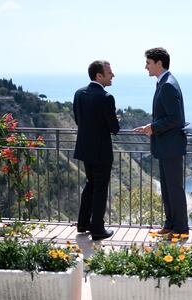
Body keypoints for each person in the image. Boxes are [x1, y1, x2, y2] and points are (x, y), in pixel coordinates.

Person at [134, 47, 189, 237]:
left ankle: (181, 228)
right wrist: (152, 127)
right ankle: (170, 224)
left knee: (174, 189)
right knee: (167, 188)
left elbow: (175, 119)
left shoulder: (167, 84)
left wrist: (152, 128)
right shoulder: (164, 82)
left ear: (159, 63)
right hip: (167, 146)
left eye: (148, 62)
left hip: (171, 146)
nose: (145, 67)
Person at [73, 60, 119, 241]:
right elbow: (114, 128)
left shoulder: (79, 94)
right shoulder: (106, 97)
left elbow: (78, 120)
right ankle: (98, 229)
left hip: (85, 148)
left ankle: (83, 223)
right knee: (100, 188)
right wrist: (114, 119)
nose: (113, 75)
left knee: (90, 184)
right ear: (99, 76)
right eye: (109, 73)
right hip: (101, 151)